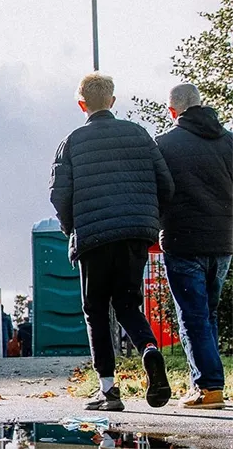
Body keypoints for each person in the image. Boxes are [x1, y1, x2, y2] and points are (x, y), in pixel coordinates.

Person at [50, 73, 174, 412]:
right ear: (113, 101)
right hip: (135, 235)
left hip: (93, 237)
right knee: (128, 304)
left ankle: (108, 389)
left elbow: (59, 194)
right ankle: (149, 348)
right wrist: (149, 221)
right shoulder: (139, 134)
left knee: (95, 312)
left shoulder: (72, 141)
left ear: (82, 104)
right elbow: (166, 182)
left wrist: (71, 228)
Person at [155, 84, 233, 409]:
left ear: (173, 111)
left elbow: (157, 192)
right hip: (224, 240)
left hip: (183, 240)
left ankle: (208, 386)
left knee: (193, 316)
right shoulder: (229, 141)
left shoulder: (163, 144)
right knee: (208, 313)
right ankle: (205, 382)